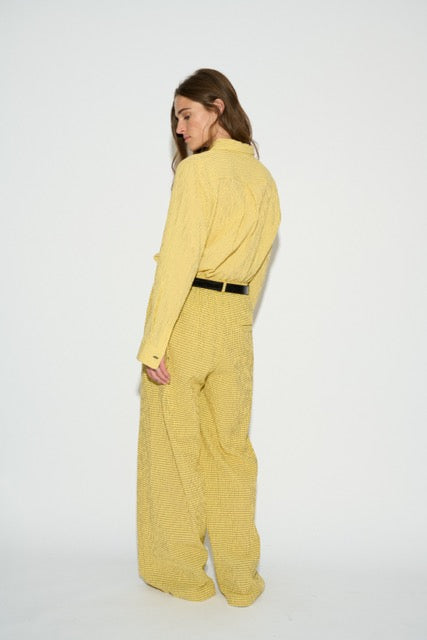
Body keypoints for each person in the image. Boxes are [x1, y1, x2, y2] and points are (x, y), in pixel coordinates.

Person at [135, 68, 281, 607]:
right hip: (235, 325)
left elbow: (178, 260)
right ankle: (240, 579)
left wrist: (154, 343)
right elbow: (259, 267)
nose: (179, 128)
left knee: (173, 449)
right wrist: (238, 321)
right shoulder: (262, 178)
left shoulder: (198, 173)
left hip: (188, 316)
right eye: (176, 118)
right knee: (230, 451)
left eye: (186, 113)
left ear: (217, 107)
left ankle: (181, 573)